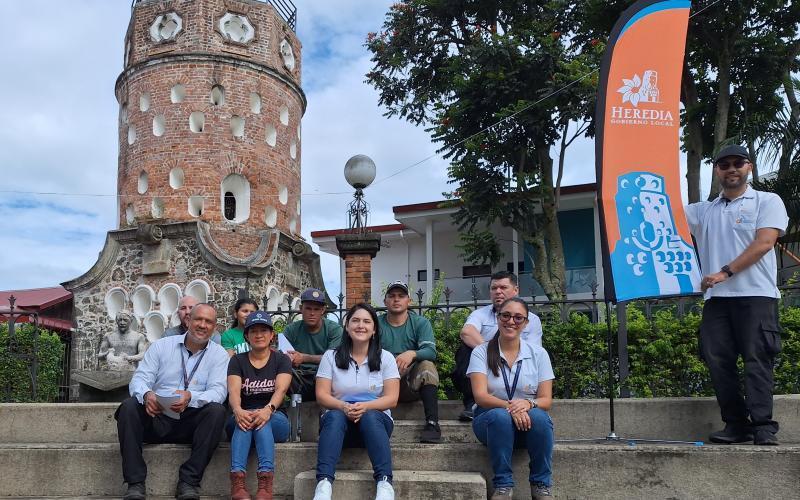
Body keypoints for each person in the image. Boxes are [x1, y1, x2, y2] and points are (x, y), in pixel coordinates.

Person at [685, 144, 788, 446]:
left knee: (758, 361)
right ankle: (736, 425)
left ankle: (763, 428)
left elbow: (765, 243)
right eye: (724, 164)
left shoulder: (767, 201)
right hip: (716, 301)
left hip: (757, 295)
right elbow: (661, 215)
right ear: (716, 170)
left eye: (738, 163)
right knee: (719, 363)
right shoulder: (702, 211)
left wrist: (724, 272)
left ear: (749, 168)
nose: (731, 169)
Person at [115, 303, 229, 500]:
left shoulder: (219, 355)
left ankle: (189, 482)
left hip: (191, 422)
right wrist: (147, 395)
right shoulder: (161, 346)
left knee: (217, 411)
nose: (202, 325)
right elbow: (139, 379)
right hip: (157, 415)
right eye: (198, 319)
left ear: (214, 326)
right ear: (188, 320)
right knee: (129, 406)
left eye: (208, 321)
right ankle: (135, 483)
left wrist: (191, 397)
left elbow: (218, 391)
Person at [468, 297, 555, 499]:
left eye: (518, 318)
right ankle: (503, 485)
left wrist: (528, 403)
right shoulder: (481, 352)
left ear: (525, 323)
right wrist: (512, 407)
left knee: (541, 417)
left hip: (527, 424)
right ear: (498, 318)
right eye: (506, 315)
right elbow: (480, 396)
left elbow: (546, 400)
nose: (511, 321)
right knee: (500, 416)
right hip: (490, 422)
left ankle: (541, 485)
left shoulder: (538, 354)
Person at [312, 303, 400, 500]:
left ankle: (385, 483)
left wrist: (365, 406)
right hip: (339, 427)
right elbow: (322, 395)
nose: (361, 326)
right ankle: (323, 485)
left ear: (374, 329)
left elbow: (392, 399)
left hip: (375, 425)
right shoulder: (330, 357)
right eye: (356, 321)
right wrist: (344, 406)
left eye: (367, 322)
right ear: (347, 326)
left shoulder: (385, 358)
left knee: (370, 416)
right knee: (334, 416)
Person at [453, 271, 543, 421]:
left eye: (503, 287)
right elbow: (467, 332)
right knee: (465, 351)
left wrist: (506, 355)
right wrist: (492, 353)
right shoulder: (481, 314)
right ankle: (472, 403)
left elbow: (534, 351)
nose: (498, 292)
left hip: (518, 365)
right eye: (494, 288)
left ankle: (525, 401)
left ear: (516, 290)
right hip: (487, 366)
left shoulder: (532, 320)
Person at [227, 311, 291, 500]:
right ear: (246, 336)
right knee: (245, 420)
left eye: (264, 330)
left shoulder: (281, 360)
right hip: (242, 418)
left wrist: (268, 410)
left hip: (275, 417)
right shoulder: (237, 361)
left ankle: (265, 483)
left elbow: (280, 391)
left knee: (263, 420)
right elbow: (234, 393)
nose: (259, 335)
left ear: (272, 335)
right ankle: (238, 484)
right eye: (253, 331)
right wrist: (238, 411)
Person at [378, 281, 441, 443]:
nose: (396, 300)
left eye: (401, 296)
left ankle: (432, 424)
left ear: (409, 301)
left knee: (427, 365)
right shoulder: (376, 324)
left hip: (408, 383)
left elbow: (431, 352)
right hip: (380, 383)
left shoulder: (420, 322)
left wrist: (412, 353)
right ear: (385, 301)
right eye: (391, 296)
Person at [282, 288, 343, 401]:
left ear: (323, 310)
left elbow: (335, 357)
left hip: (325, 375)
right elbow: (282, 356)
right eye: (308, 308)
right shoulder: (291, 329)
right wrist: (289, 358)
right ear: (301, 309)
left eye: (316, 309)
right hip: (298, 376)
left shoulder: (334, 329)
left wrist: (304, 358)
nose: (312, 313)